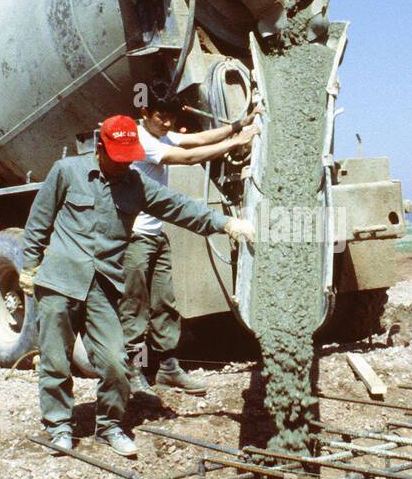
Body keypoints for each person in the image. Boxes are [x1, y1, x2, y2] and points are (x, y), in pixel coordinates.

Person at [20, 116, 254, 458]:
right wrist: (29, 267)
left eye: (129, 156)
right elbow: (38, 221)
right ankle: (59, 426)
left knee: (116, 361)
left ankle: (110, 427)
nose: (125, 163)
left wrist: (225, 223)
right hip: (61, 282)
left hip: (103, 287)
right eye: (118, 156)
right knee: (56, 361)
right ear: (100, 148)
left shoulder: (135, 184)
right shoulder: (66, 172)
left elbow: (178, 207)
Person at [121, 101, 260, 402]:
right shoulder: (140, 139)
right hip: (136, 238)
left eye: (171, 117)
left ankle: (168, 368)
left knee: (165, 303)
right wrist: (236, 142)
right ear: (145, 113)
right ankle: (130, 374)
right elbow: (187, 157)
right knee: (134, 305)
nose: (168, 123)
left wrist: (239, 124)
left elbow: (198, 139)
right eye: (161, 116)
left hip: (157, 236)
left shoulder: (160, 134)